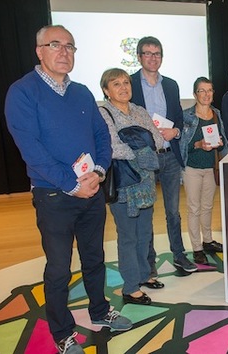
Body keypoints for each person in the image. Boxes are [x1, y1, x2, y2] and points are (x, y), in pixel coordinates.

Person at [4, 25, 132, 354]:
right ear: (39, 51)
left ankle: (100, 312)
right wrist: (72, 183)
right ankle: (62, 332)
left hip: (91, 191)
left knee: (94, 259)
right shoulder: (22, 92)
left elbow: (102, 138)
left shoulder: (83, 93)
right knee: (59, 268)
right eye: (56, 45)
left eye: (70, 47)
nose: (64, 52)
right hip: (53, 196)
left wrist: (99, 172)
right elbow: (30, 149)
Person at [130, 36, 197, 273]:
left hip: (169, 155)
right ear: (138, 57)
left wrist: (176, 131)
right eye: (147, 53)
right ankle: (148, 262)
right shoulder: (128, 84)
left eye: (157, 53)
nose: (152, 58)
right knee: (145, 211)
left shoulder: (171, 84)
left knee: (172, 212)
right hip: (144, 158)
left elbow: (178, 116)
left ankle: (179, 254)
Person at [99, 68, 166, 305]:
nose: (123, 87)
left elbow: (158, 139)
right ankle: (129, 287)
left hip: (146, 182)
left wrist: (139, 145)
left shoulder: (139, 110)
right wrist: (141, 150)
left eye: (126, 82)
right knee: (127, 236)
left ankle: (143, 275)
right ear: (106, 90)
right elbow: (112, 147)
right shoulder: (103, 113)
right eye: (116, 84)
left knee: (144, 233)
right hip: (124, 184)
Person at [181, 77, 228, 264]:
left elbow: (222, 140)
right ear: (195, 94)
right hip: (191, 168)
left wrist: (220, 144)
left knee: (207, 207)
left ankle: (208, 241)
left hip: (210, 168)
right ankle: (196, 247)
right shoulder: (186, 116)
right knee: (194, 209)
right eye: (202, 90)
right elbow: (182, 146)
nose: (206, 94)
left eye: (209, 90)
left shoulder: (216, 113)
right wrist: (198, 144)